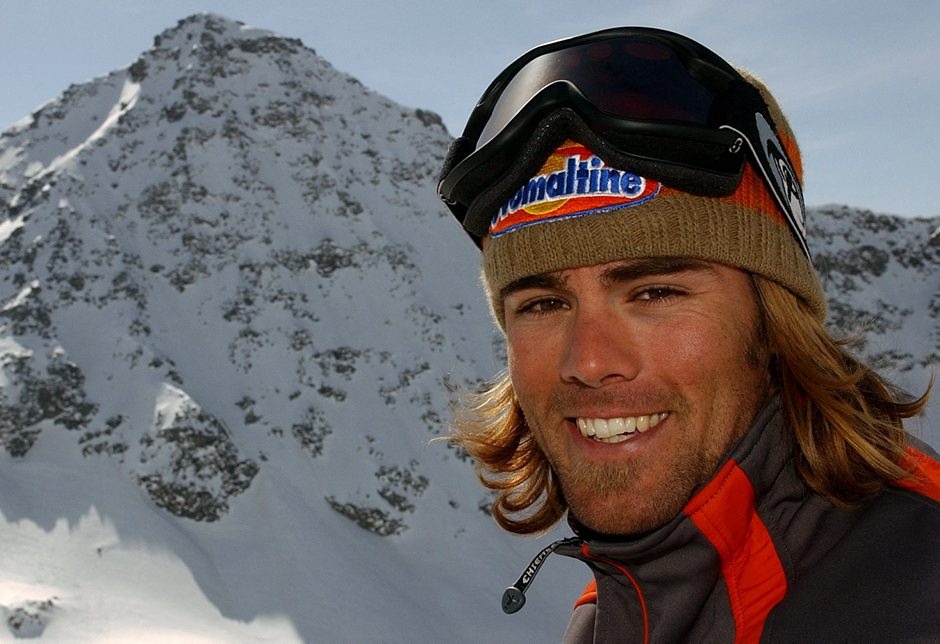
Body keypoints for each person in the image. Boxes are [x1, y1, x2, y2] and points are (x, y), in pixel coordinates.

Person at [437, 26, 940, 642]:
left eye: (655, 293)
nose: (589, 361)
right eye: (544, 304)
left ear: (773, 322)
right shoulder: (617, 609)